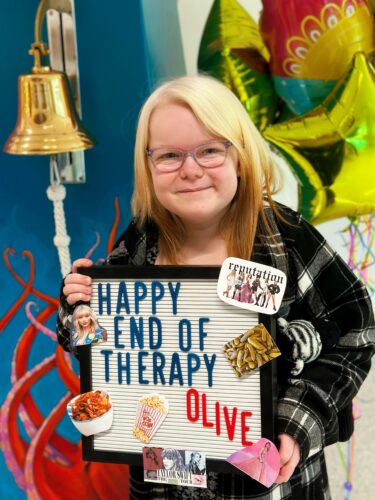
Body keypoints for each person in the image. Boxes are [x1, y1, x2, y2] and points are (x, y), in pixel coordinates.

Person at [57, 75, 375, 499]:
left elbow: (356, 329)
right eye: (169, 156)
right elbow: (100, 349)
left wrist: (298, 424)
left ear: (240, 156)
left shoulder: (285, 239)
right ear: (148, 167)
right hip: (165, 477)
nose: (191, 170)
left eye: (210, 150)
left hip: (267, 482)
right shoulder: (140, 243)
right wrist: (77, 310)